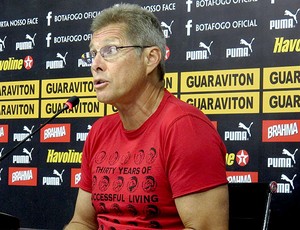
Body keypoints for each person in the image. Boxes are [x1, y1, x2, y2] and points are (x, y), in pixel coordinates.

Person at [65, 3, 229, 230]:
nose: (95, 65)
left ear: (150, 58)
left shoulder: (185, 128)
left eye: (110, 51)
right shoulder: (100, 131)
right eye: (93, 54)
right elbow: (82, 221)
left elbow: (207, 228)